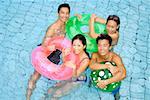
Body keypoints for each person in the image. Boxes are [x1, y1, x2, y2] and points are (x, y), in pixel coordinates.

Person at [26, 3, 70, 100]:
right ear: (58, 13)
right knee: (36, 76)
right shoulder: (53, 28)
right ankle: (28, 97)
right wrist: (49, 47)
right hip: (46, 53)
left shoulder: (66, 24)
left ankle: (45, 97)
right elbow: (44, 44)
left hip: (56, 54)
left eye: (67, 13)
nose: (65, 15)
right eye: (62, 13)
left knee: (54, 79)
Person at [46, 34, 90, 99]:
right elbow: (65, 63)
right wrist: (63, 55)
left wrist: (74, 67)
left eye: (79, 46)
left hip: (77, 79)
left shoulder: (85, 60)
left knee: (57, 94)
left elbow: (75, 77)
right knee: (50, 90)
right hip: (69, 74)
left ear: (84, 46)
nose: (76, 48)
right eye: (74, 45)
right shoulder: (72, 52)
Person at [89, 34, 126, 100]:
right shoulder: (95, 55)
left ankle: (116, 95)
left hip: (112, 82)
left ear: (110, 47)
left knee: (115, 90)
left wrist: (106, 82)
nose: (101, 48)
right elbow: (91, 66)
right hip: (97, 80)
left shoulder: (115, 57)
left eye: (105, 45)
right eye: (99, 45)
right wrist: (108, 66)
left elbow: (123, 74)